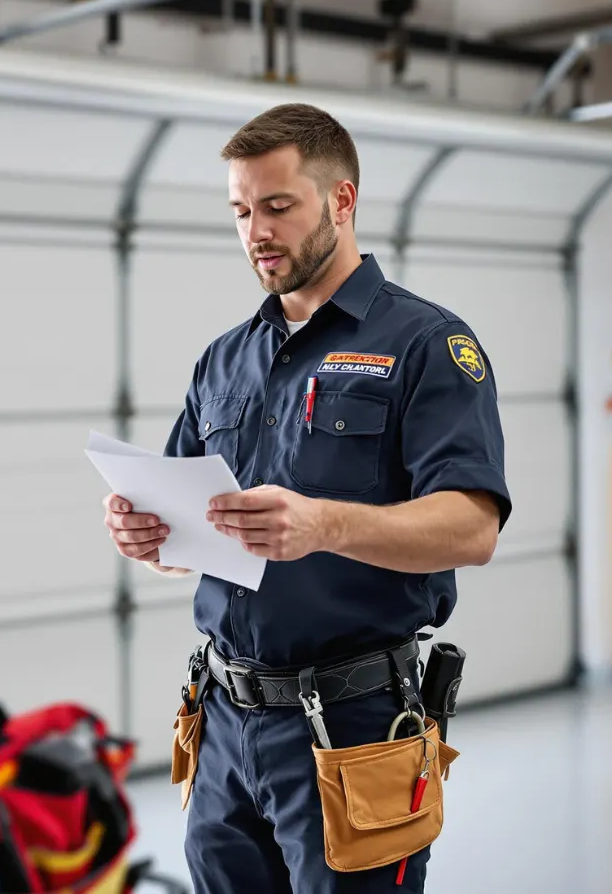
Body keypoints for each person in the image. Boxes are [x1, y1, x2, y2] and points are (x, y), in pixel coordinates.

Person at [102, 103, 511, 893]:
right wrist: (146, 535)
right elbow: (186, 540)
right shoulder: (224, 360)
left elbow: (472, 526)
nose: (256, 230)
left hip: (354, 731)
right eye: (242, 210)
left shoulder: (425, 345)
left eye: (278, 206)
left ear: (342, 202)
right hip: (222, 722)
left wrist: (322, 524)